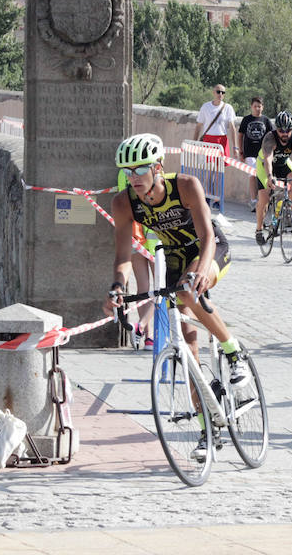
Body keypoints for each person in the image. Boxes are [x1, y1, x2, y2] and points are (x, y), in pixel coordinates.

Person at [104, 134, 249, 454]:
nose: (133, 178)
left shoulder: (184, 185)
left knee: (186, 293)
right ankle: (206, 429)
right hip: (174, 260)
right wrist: (117, 287)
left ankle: (233, 351)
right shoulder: (123, 202)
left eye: (140, 170)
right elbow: (123, 257)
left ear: (158, 167)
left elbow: (208, 235)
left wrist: (200, 271)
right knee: (189, 353)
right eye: (127, 172)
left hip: (208, 249)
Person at [116, 166, 159, 349]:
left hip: (134, 235)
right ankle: (143, 329)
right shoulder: (155, 173)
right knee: (160, 288)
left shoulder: (122, 174)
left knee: (143, 288)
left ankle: (147, 335)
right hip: (155, 236)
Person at [254, 111, 292, 245]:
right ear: (276, 129)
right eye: (281, 130)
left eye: (288, 130)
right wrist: (269, 177)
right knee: (264, 198)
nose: (285, 134)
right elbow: (268, 160)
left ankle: (287, 212)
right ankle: (258, 229)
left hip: (282, 163)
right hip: (265, 166)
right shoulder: (270, 138)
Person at [237, 96, 274, 212]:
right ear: (251, 107)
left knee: (264, 176)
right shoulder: (246, 119)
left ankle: (265, 201)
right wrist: (240, 151)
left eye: (259, 106)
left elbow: (272, 137)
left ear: (262, 107)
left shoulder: (266, 120)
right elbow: (240, 135)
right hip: (250, 153)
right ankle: (253, 201)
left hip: (263, 153)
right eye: (255, 106)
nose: (257, 108)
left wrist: (272, 152)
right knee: (252, 176)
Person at [192, 84, 237, 160]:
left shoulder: (228, 108)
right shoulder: (205, 107)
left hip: (222, 140)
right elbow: (198, 126)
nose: (220, 94)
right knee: (209, 167)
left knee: (220, 168)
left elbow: (232, 128)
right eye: (218, 92)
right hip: (208, 140)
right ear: (213, 93)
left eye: (223, 92)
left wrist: (235, 147)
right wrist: (194, 143)